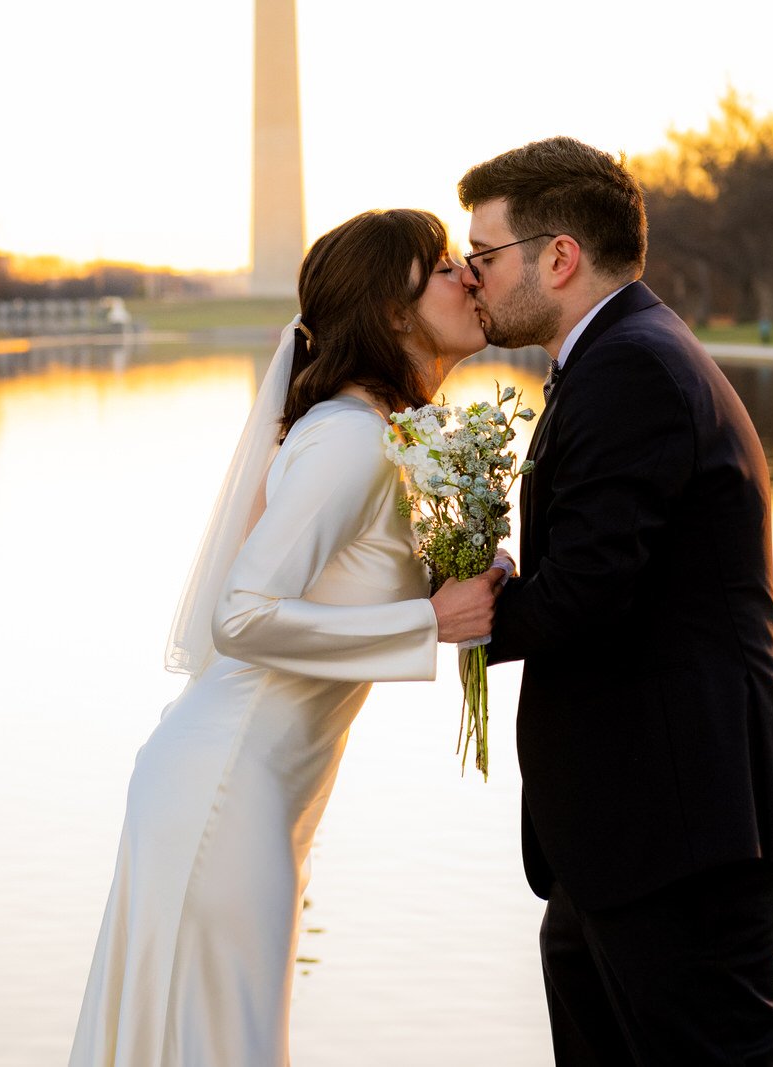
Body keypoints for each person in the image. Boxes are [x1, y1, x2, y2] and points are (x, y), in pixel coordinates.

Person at [68, 209, 504, 1067]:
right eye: (446, 265)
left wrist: (461, 573)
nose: (471, 277)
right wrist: (430, 620)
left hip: (258, 788)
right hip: (224, 788)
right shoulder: (348, 439)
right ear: (390, 311)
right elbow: (242, 613)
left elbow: (338, 586)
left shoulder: (384, 438)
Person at [462, 137, 773, 1065]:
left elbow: (589, 593)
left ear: (558, 256)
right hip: (630, 838)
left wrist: (451, 610)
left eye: (484, 256)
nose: (473, 279)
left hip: (687, 839)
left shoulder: (633, 366)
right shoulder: (616, 356)